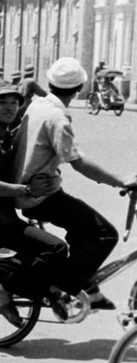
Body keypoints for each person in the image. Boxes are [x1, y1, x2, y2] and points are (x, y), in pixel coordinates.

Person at [12, 57, 137, 310]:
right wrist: (121, 180)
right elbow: (79, 163)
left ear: (49, 82)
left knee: (83, 231)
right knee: (105, 234)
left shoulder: (38, 106)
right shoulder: (57, 118)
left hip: (27, 187)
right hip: (39, 195)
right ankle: (59, 287)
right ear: (80, 87)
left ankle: (89, 287)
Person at [0, 83, 68, 326]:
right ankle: (4, 291)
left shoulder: (4, 134)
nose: (10, 107)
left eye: (14, 102)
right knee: (56, 249)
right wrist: (27, 190)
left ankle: (32, 287)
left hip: (2, 216)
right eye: (2, 103)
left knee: (34, 248)